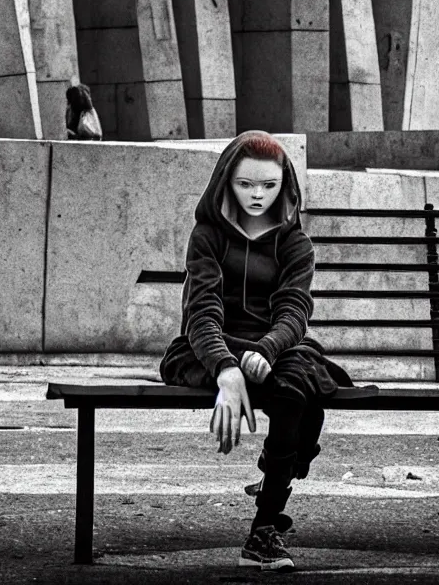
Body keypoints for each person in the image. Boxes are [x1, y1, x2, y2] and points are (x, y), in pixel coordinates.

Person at [159, 130, 353, 571]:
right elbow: (201, 314)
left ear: (284, 185)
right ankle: (281, 472)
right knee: (301, 398)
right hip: (207, 346)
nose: (257, 195)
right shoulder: (207, 236)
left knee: (295, 388)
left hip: (276, 350)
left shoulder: (295, 244)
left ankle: (264, 531)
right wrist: (227, 370)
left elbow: (294, 311)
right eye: (245, 184)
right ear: (227, 181)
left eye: (269, 185)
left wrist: (266, 349)